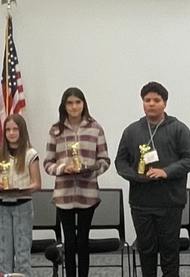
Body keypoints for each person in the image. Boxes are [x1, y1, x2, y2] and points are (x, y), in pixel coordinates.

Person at [115, 81, 190, 277]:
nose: (151, 104)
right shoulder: (132, 131)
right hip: (141, 203)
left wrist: (166, 172)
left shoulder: (178, 129)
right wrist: (135, 176)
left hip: (170, 202)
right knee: (146, 250)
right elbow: (120, 161)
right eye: (147, 100)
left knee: (170, 251)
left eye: (156, 100)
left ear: (165, 103)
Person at [42, 87, 111, 277]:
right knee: (69, 242)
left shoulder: (95, 128)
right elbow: (47, 163)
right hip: (63, 196)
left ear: (83, 104)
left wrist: (92, 170)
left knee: (83, 242)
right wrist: (63, 169)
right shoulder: (56, 130)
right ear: (64, 105)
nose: (74, 107)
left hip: (87, 193)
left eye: (78, 102)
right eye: (70, 103)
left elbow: (105, 160)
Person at [0, 113, 41, 277]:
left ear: (22, 131)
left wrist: (22, 188)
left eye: (15, 129)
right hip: (1, 206)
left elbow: (37, 183)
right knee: (3, 251)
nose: (11, 133)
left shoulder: (31, 154)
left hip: (22, 205)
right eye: (8, 129)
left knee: (22, 251)